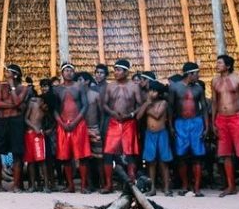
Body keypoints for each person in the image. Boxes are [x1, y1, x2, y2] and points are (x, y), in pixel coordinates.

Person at [210, 54, 239, 197]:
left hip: (236, 117)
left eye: (220, 63)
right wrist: (213, 122)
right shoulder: (214, 80)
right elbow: (214, 102)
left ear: (228, 65)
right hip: (221, 119)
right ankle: (231, 186)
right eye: (217, 63)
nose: (217, 65)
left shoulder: (237, 78)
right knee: (226, 154)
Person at [100, 58, 144, 193]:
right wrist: (112, 112)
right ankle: (109, 185)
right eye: (115, 70)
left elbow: (141, 105)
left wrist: (130, 115)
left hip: (129, 123)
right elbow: (104, 104)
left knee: (129, 153)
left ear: (126, 72)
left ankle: (131, 183)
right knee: (108, 153)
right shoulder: (110, 86)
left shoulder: (134, 86)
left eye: (118, 70)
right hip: (114, 122)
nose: (116, 72)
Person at [168, 61, 207, 196]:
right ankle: (185, 185)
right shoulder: (175, 88)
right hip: (180, 123)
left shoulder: (198, 88)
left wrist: (206, 127)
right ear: (190, 74)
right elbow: (171, 108)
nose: (198, 76)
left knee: (198, 155)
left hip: (196, 122)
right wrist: (171, 126)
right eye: (197, 73)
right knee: (181, 156)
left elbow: (204, 109)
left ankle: (197, 187)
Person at [51, 62, 90, 194]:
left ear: (74, 72)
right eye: (66, 70)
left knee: (82, 156)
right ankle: (70, 185)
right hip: (63, 125)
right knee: (66, 157)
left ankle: (84, 185)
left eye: (71, 70)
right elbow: (54, 109)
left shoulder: (80, 87)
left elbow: (85, 106)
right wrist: (61, 123)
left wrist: (76, 122)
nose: (68, 73)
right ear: (62, 73)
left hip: (78, 124)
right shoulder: (57, 89)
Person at [0, 63, 29, 192]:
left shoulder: (23, 88)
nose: (6, 74)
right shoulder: (1, 87)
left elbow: (18, 102)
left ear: (15, 75)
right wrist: (13, 105)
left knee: (17, 153)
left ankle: (16, 185)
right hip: (2, 121)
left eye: (8, 72)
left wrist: (12, 87)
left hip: (16, 121)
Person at [142, 81, 173, 197]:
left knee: (163, 162)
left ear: (159, 93)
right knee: (151, 162)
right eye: (150, 90)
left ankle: (166, 188)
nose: (151, 93)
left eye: (154, 91)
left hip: (162, 134)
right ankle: (152, 188)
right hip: (150, 134)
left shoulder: (163, 103)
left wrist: (147, 107)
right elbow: (139, 116)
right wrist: (146, 104)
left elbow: (157, 115)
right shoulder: (147, 103)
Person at [23, 86, 51, 192]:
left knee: (42, 160)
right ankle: (33, 185)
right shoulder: (33, 103)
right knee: (31, 161)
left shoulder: (47, 106)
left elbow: (50, 120)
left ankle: (46, 185)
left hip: (40, 134)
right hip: (31, 133)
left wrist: (47, 129)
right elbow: (26, 118)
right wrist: (34, 127)